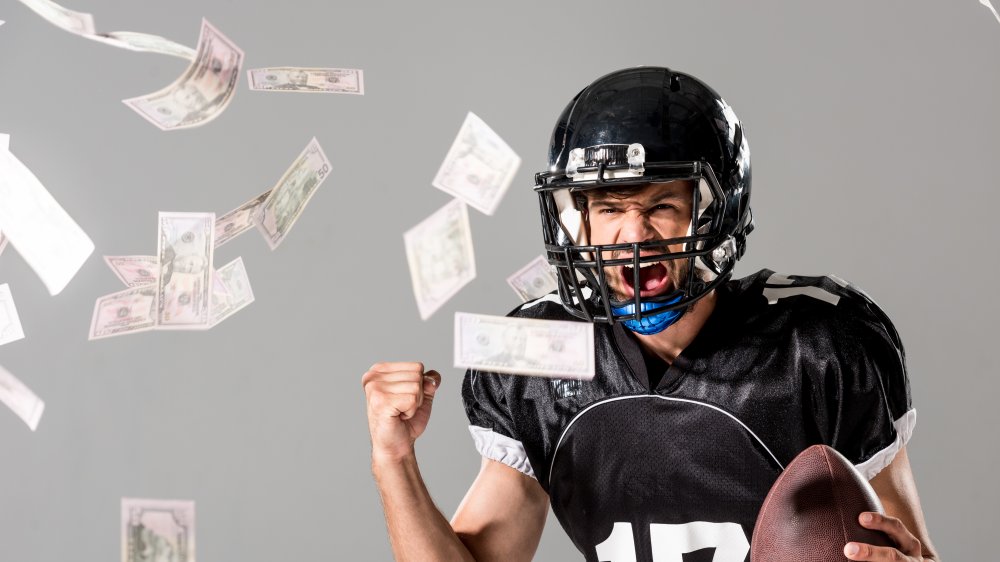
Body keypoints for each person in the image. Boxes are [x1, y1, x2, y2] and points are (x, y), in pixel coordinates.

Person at [362, 67, 939, 562]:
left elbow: (911, 549)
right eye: (609, 207)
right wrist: (394, 461)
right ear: (575, 220)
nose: (632, 236)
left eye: (661, 205)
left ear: (716, 214)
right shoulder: (535, 354)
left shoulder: (817, 347)